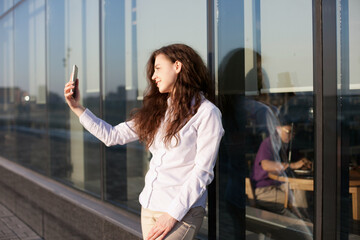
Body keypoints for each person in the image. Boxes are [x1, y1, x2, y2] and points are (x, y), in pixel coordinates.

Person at [64, 44, 224, 240]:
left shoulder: (207, 113)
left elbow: (202, 173)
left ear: (177, 66)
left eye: (158, 68)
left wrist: (172, 215)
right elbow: (112, 136)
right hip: (149, 207)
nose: (153, 76)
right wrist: (77, 107)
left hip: (181, 213)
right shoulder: (158, 111)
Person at [251, 115, 312, 217]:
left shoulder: (287, 145)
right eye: (288, 132)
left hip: (281, 185)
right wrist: (292, 165)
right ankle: (300, 224)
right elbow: (266, 165)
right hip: (265, 189)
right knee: (296, 198)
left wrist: (304, 163)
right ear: (278, 129)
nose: (291, 135)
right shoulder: (268, 143)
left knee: (300, 190)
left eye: (293, 133)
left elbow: (298, 160)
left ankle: (301, 222)